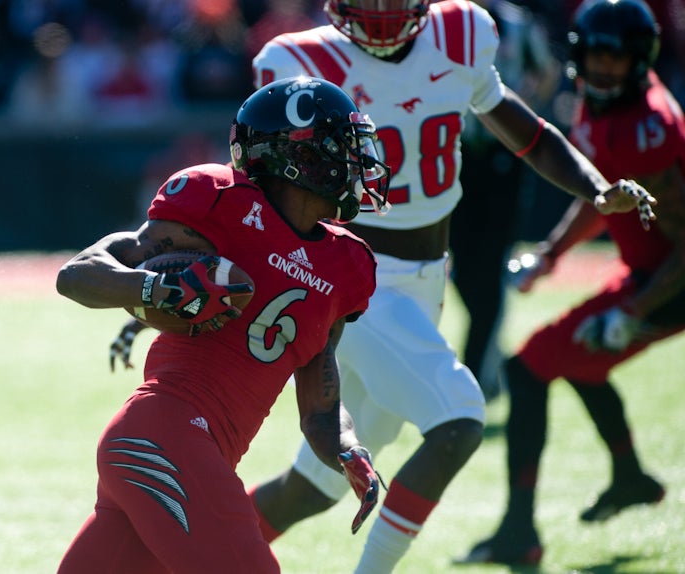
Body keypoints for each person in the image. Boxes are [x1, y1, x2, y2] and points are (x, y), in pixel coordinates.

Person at [243, 2, 657, 573]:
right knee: (460, 417)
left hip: (423, 280)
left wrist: (596, 188)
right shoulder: (296, 59)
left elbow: (525, 132)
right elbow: (257, 187)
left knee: (314, 487)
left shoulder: (461, 30)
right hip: (355, 281)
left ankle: (181, 554)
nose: (383, 10)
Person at [55, 76, 390, 573]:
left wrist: (348, 450)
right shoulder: (217, 202)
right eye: (343, 148)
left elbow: (320, 406)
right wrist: (155, 290)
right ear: (301, 157)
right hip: (162, 436)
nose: (359, 163)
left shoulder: (349, 265)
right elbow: (78, 275)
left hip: (187, 451)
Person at [461, 0, 685, 565]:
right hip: (646, 275)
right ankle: (631, 476)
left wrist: (635, 309)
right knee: (574, 357)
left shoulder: (650, 124)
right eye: (596, 56)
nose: (605, 69)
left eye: (617, 58)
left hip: (667, 283)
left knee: (526, 366)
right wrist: (551, 254)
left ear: (640, 59)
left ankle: (519, 533)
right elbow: (602, 195)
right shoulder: (598, 102)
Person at [452, 0, 561, 399]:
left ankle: (477, 373)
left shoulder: (517, 23)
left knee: (494, 261)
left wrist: (522, 113)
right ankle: (487, 356)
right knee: (465, 270)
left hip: (504, 157)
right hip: (456, 157)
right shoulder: (441, 23)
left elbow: (548, 71)